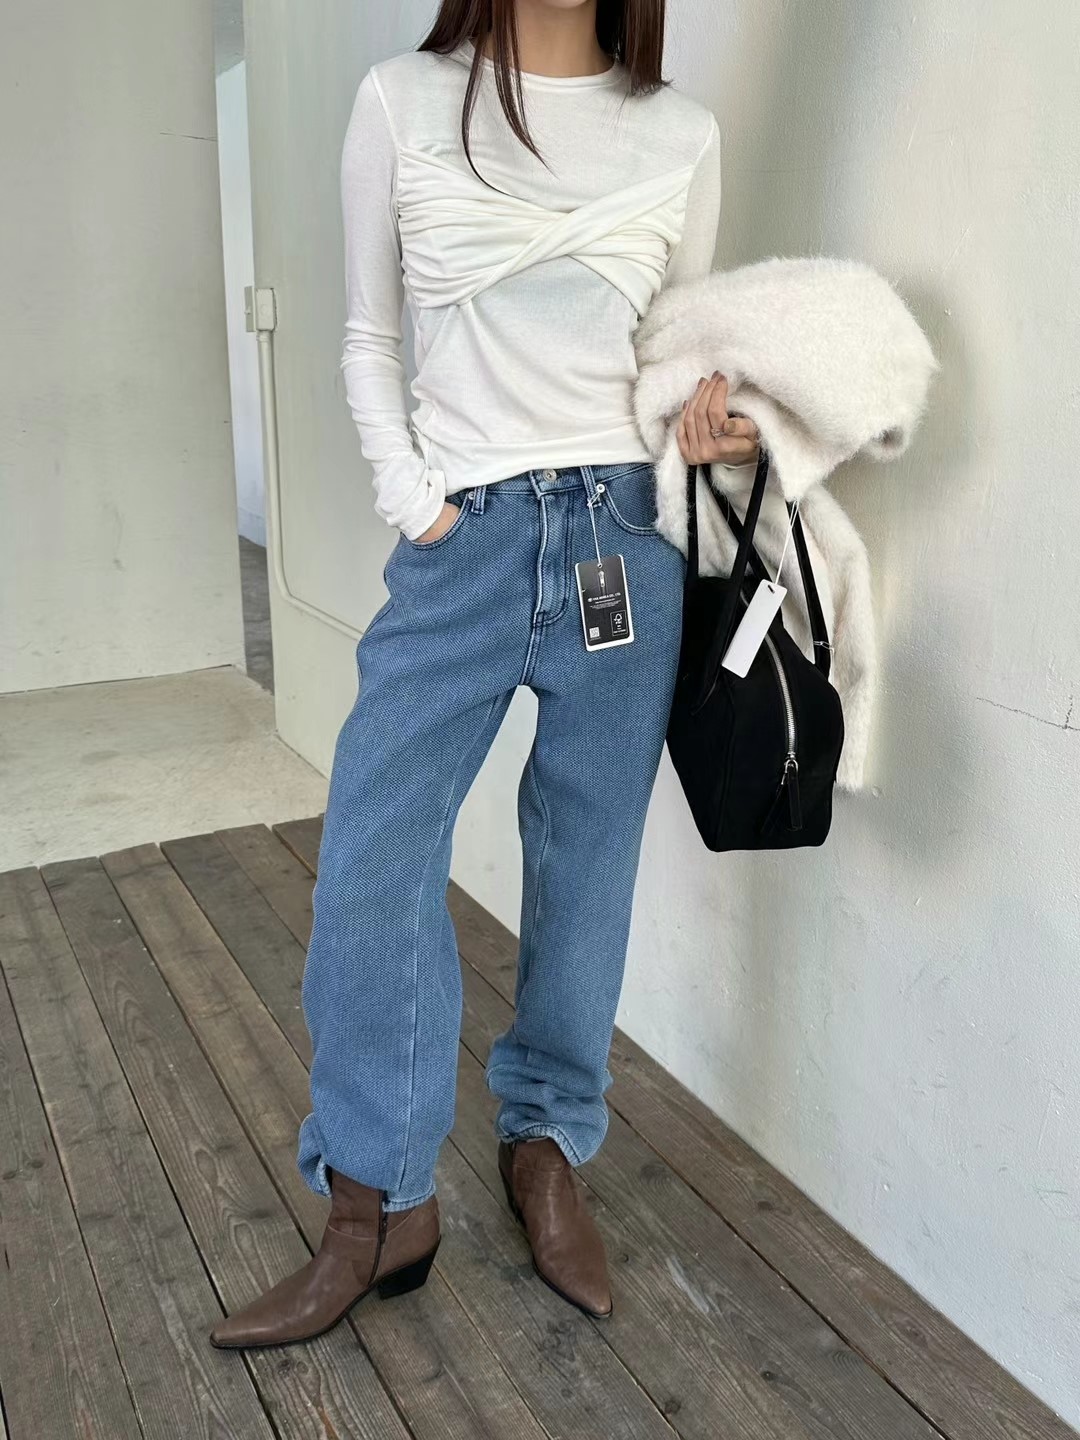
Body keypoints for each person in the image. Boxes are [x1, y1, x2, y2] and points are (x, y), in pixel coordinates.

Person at [210, 0, 759, 1351]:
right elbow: (369, 334)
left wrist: (713, 424)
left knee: (587, 857)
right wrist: (417, 503)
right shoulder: (403, 100)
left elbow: (674, 358)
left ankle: (548, 1146)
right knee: (374, 852)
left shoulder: (680, 134)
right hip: (466, 540)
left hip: (624, 542)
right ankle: (376, 1201)